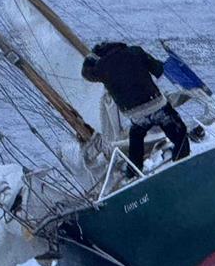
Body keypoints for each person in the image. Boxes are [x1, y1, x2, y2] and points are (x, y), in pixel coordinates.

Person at [81, 42, 190, 172]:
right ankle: (181, 163)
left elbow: (86, 73)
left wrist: (89, 60)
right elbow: (158, 70)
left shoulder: (100, 67)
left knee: (136, 136)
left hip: (134, 113)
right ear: (119, 46)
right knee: (179, 132)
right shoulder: (134, 51)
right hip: (154, 104)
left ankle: (133, 171)